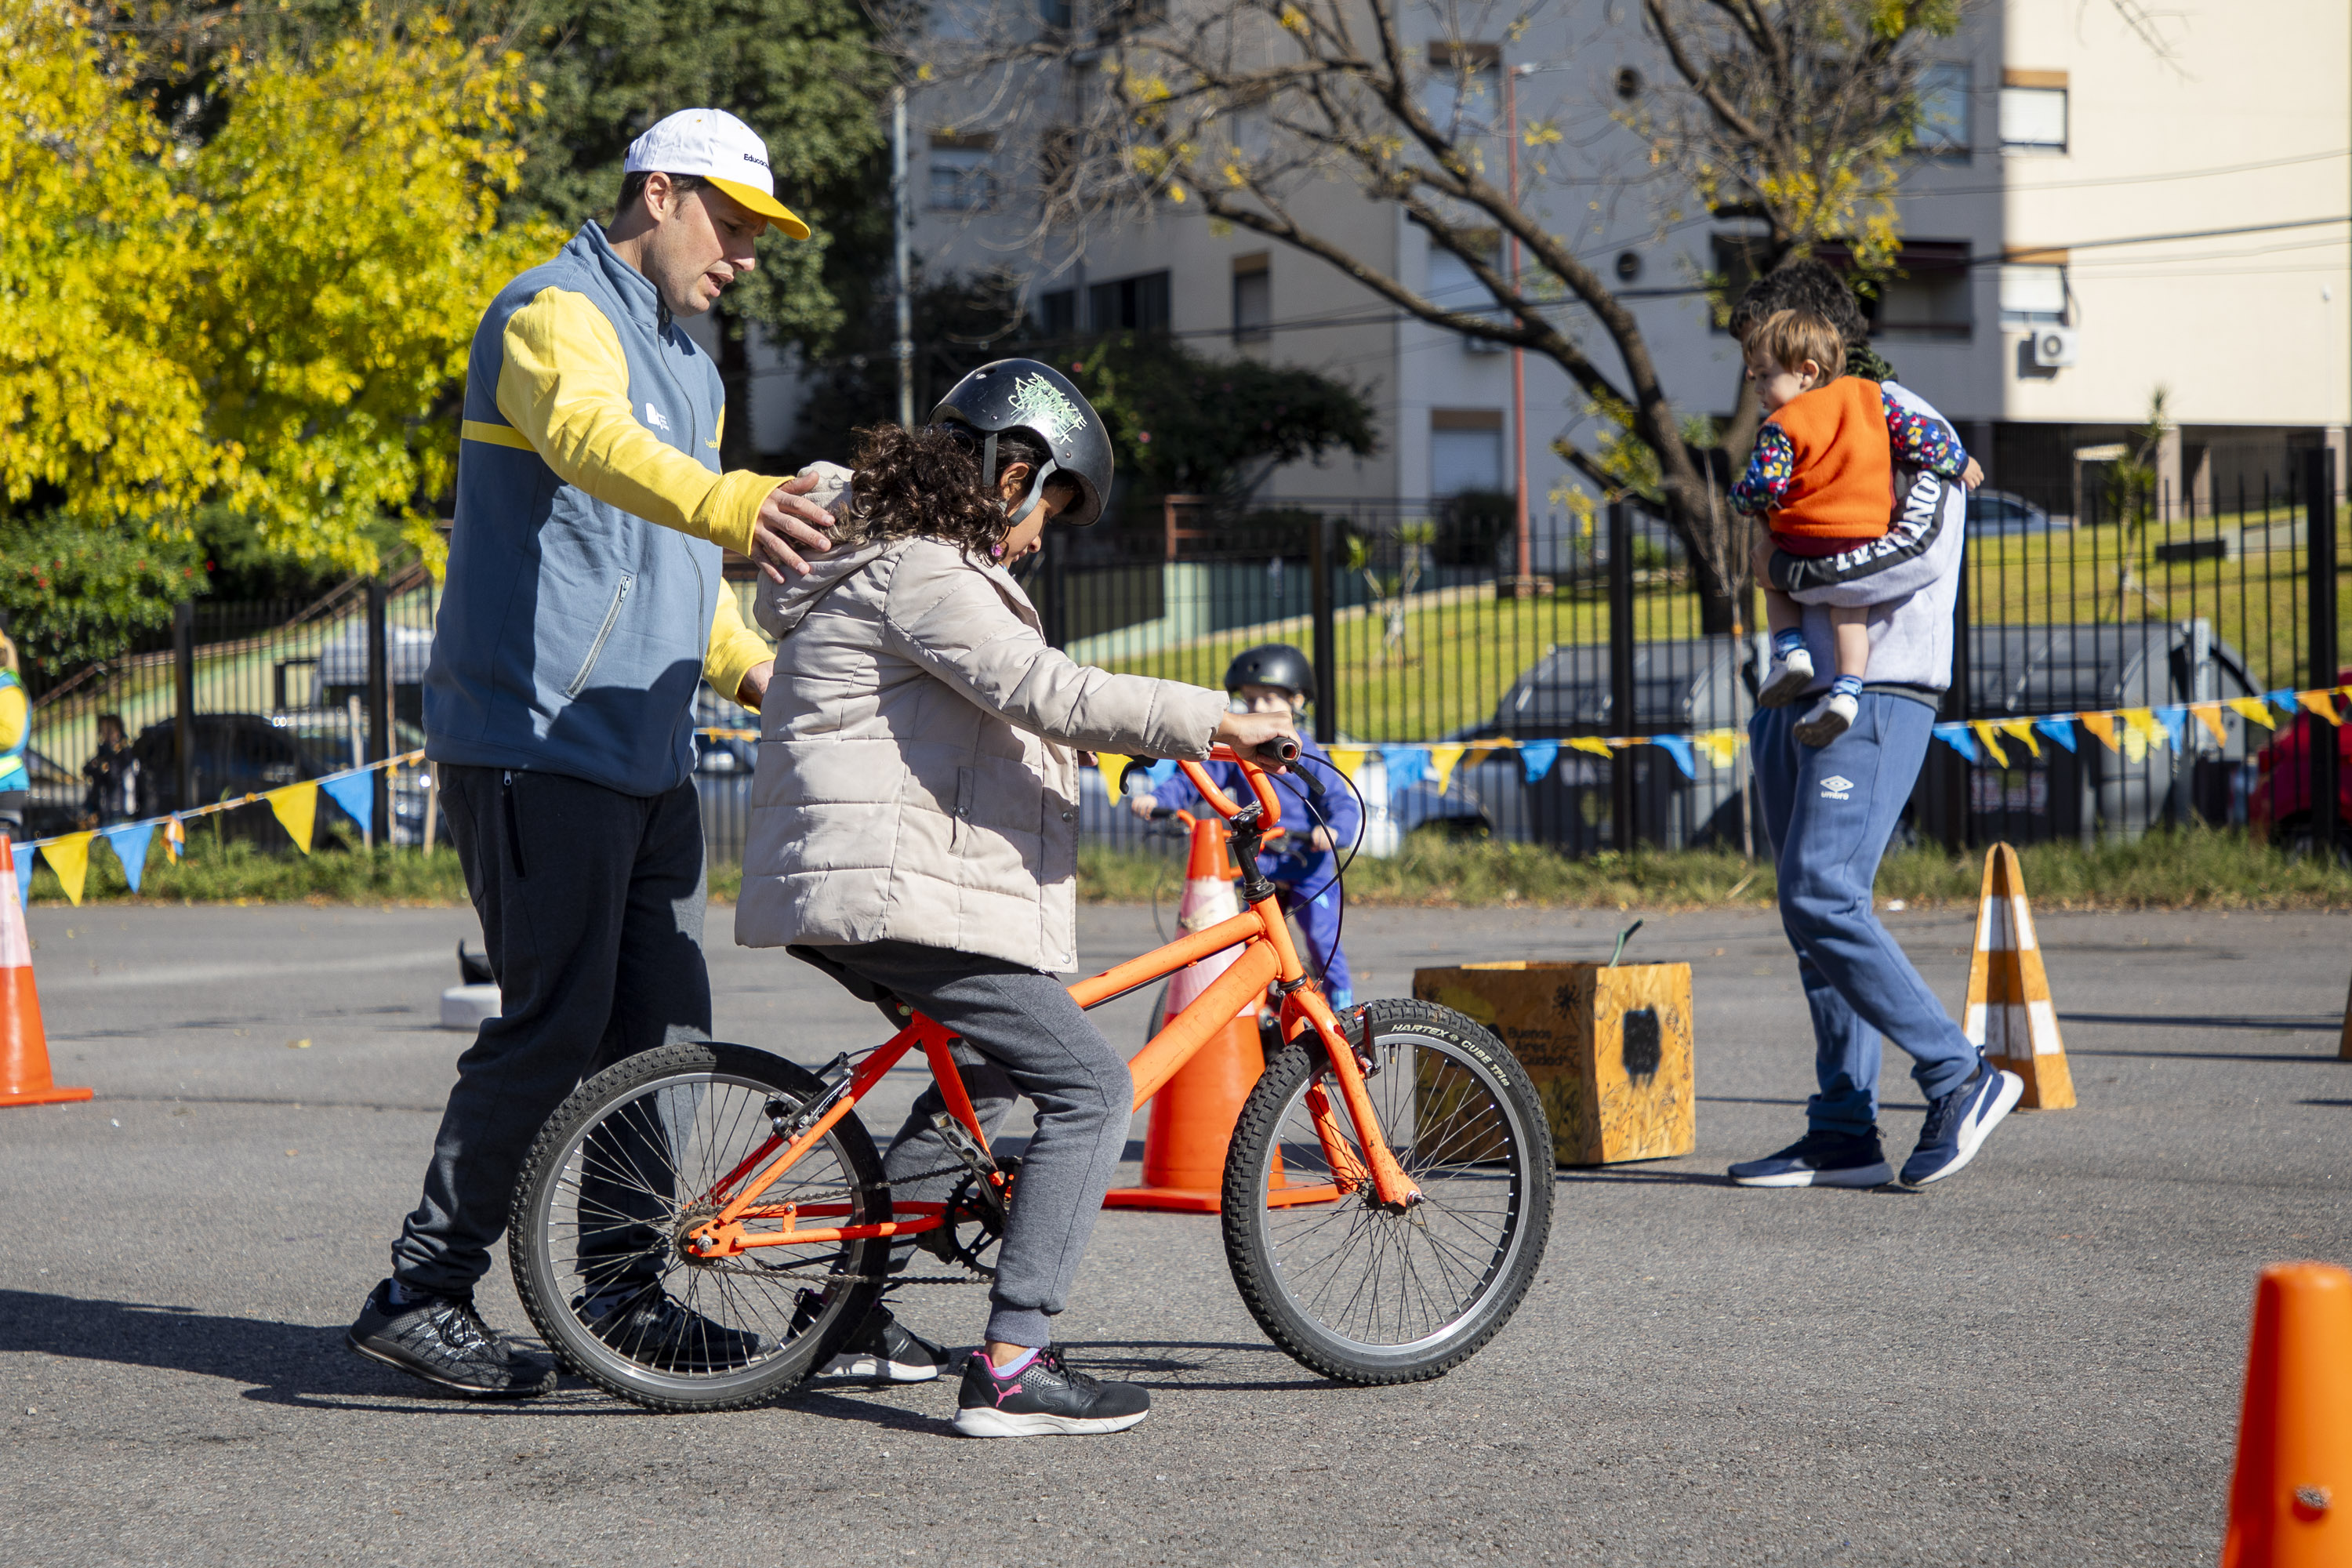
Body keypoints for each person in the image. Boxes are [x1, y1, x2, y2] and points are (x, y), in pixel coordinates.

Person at [348, 107, 843, 1399]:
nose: (744, 256)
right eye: (733, 227)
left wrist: (760, 668)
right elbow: (588, 445)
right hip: (534, 739)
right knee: (553, 1028)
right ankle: (421, 1290)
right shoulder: (548, 310)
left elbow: (675, 559)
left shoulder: (694, 362)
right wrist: (740, 500)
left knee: (664, 1038)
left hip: (645, 749)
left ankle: (623, 1296)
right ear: (661, 193)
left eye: (758, 237)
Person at [735, 359, 1298, 1437]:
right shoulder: (924, 571)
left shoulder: (886, 559)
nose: (1045, 536)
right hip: (891, 891)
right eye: (1054, 509)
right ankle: (1011, 1364)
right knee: (1090, 1087)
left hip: (863, 881)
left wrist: (1109, 754)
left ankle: (852, 1320)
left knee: (983, 1078)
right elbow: (1044, 689)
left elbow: (992, 714)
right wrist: (1216, 723)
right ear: (1011, 474)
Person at [1726, 268, 2023, 1193]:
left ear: (1815, 349)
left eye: (1762, 360)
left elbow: (1914, 553)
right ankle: (1844, 1130)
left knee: (1823, 892)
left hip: (1883, 686)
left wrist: (1793, 573)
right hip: (1798, 690)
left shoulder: (1900, 419)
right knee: (1809, 914)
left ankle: (1958, 1073)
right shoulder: (1789, 430)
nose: (1752, 382)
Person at [1733, 309, 1974, 746]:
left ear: (1806, 373)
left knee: (1772, 580)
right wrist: (1960, 462)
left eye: (1765, 376)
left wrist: (1741, 500)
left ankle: (1790, 652)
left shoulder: (1781, 425)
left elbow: (1767, 483)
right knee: (1850, 617)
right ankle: (1847, 692)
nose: (1759, 389)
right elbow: (1919, 438)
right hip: (1865, 532)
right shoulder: (1871, 398)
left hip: (1803, 535)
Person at [1127, 643, 1361, 1007]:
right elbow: (1197, 779)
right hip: (1260, 867)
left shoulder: (1308, 753)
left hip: (1306, 866)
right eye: (1250, 701)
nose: (1258, 711)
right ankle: (1254, 1013)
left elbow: (1341, 802)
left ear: (1297, 701)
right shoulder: (1241, 752)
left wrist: (1332, 831)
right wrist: (1161, 799)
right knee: (1244, 939)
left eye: (1269, 699)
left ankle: (1343, 1005)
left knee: (1321, 935)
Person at [83, 713, 138, 826]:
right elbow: (87, 769)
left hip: (123, 808)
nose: (106, 735)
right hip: (105, 810)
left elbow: (117, 775)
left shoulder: (125, 752)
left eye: (110, 730)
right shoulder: (103, 754)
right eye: (103, 731)